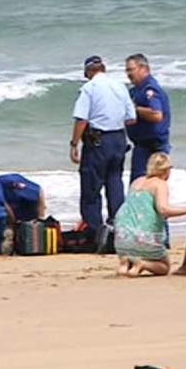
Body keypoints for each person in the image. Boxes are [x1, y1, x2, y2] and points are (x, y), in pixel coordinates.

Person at [69, 55, 136, 237]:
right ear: (103, 69)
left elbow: (81, 119)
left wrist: (74, 144)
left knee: (91, 188)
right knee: (115, 183)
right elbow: (131, 118)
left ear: (89, 71)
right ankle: (118, 228)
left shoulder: (89, 88)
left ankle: (94, 232)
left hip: (98, 141)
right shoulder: (120, 87)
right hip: (119, 140)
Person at [113, 153, 186, 277]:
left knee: (133, 251)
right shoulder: (160, 184)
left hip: (121, 236)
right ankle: (142, 264)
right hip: (143, 238)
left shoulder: (137, 181)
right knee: (164, 267)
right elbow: (163, 210)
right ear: (166, 170)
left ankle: (125, 264)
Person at [124, 53, 171, 182]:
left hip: (154, 147)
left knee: (149, 186)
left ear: (143, 69)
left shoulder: (150, 89)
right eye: (126, 70)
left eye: (131, 70)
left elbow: (156, 114)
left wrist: (135, 109)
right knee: (138, 186)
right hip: (141, 144)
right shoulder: (134, 91)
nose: (128, 74)